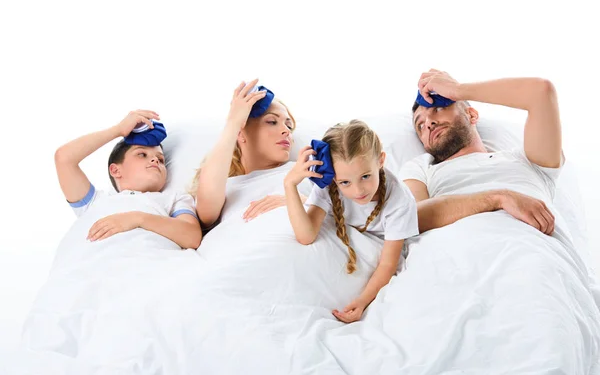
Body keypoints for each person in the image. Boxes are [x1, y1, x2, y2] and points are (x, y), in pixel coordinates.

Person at [284, 120, 419, 323]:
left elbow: (388, 263)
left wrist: (362, 301)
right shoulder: (329, 186)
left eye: (365, 176)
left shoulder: (399, 200)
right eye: (345, 182)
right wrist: (289, 185)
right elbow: (306, 236)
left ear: (381, 160)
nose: (358, 191)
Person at [402, 69, 562, 235]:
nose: (428, 123)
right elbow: (412, 218)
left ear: (471, 115)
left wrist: (458, 90)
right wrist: (499, 198)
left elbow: (541, 92)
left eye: (439, 109)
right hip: (458, 256)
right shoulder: (422, 169)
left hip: (534, 253)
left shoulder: (527, 161)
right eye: (420, 125)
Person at [54, 110, 202, 249]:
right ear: (115, 170)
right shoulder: (96, 202)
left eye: (160, 159)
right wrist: (118, 130)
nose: (155, 161)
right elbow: (64, 158)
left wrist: (137, 219)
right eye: (142, 155)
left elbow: (192, 237)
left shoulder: (174, 198)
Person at [191, 80, 301, 229]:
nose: (287, 131)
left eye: (289, 126)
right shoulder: (226, 188)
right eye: (272, 121)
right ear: (241, 134)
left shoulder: (303, 171)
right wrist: (233, 122)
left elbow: (337, 208)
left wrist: (299, 201)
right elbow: (206, 216)